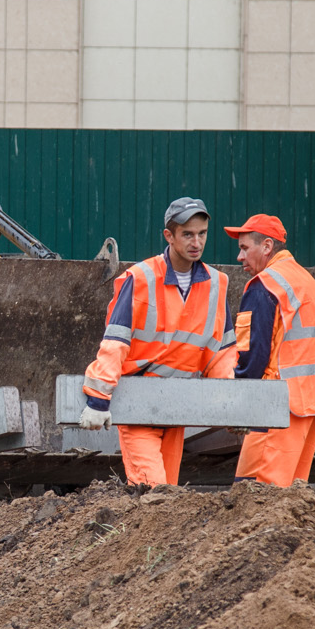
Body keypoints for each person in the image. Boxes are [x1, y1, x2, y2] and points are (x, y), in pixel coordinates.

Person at [77, 198, 236, 485]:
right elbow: (115, 342)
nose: (196, 242)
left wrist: (231, 406)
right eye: (187, 234)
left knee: (165, 503)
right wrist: (99, 399)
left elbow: (222, 354)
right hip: (137, 405)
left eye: (202, 234)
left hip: (176, 408)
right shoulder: (140, 278)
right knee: (154, 491)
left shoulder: (217, 284)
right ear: (169, 236)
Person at [224, 213, 315, 487]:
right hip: (310, 406)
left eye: (245, 248)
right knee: (288, 500)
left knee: (253, 496)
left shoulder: (265, 286)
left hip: (275, 407)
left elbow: (252, 356)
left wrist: (239, 407)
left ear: (267, 246)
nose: (240, 257)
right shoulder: (307, 282)